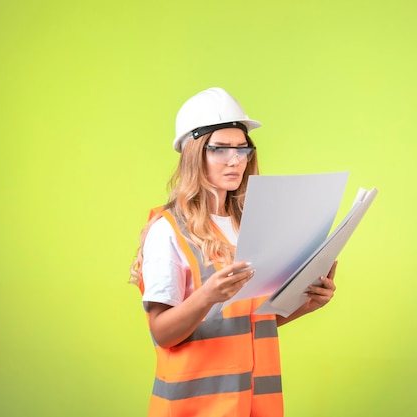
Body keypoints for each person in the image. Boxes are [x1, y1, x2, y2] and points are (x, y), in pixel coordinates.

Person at [130, 87, 337, 417]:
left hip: (257, 407)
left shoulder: (253, 225)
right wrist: (207, 296)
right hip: (197, 409)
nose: (235, 160)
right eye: (220, 149)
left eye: (242, 149)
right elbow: (162, 333)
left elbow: (245, 325)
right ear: (194, 154)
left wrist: (305, 304)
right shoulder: (168, 230)